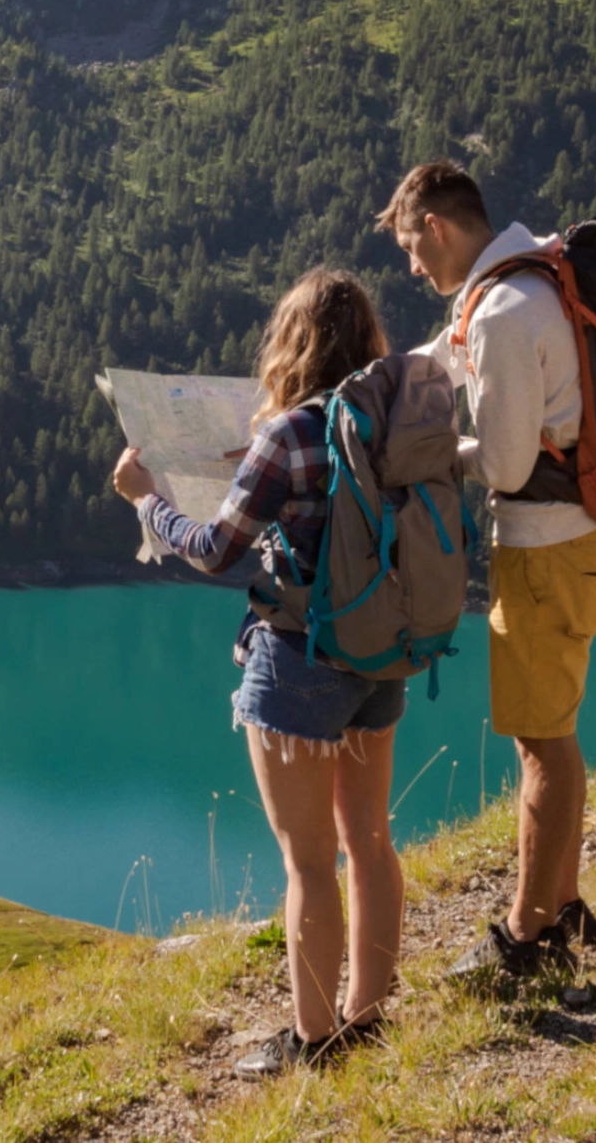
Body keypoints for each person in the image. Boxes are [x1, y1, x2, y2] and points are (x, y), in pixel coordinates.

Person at [110, 268, 403, 1078]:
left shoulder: (287, 437)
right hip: (383, 649)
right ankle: (368, 1017)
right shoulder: (388, 415)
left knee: (308, 862)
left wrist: (144, 499)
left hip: (301, 656)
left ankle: (315, 1041)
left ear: (292, 342)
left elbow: (211, 549)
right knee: (370, 843)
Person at [377, 160, 596, 978]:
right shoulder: (520, 277)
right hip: (576, 538)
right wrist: (357, 394)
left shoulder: (505, 313)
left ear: (438, 227)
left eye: (413, 246)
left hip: (547, 544)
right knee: (551, 730)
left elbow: (511, 465)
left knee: (540, 742)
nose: (412, 265)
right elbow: (435, 359)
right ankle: (565, 900)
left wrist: (430, 450)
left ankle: (528, 937)